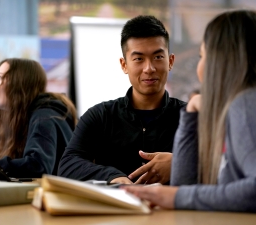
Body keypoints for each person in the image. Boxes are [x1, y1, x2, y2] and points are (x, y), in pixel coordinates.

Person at [123, 10, 256, 213]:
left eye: (202, 55)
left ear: (221, 60)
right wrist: (191, 115)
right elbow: (185, 185)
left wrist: (174, 197)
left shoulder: (252, 104)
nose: (199, 67)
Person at [57, 15, 186, 185]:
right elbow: (68, 165)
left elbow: (218, 166)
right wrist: (112, 177)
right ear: (124, 65)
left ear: (170, 61)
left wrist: (179, 164)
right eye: (139, 59)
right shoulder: (100, 116)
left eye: (158, 57)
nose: (149, 68)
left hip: (174, 209)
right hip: (116, 210)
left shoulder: (190, 117)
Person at [0, 58, 77, 178]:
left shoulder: (44, 117)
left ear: (18, 83)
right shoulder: (25, 117)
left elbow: (37, 166)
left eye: (0, 77)